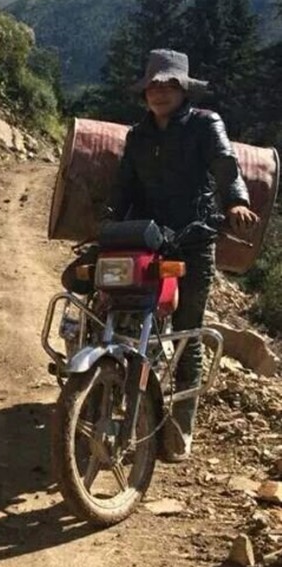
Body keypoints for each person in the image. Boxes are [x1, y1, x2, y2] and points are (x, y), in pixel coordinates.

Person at [108, 49, 259, 459]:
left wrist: (236, 203)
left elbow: (226, 165)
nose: (160, 92)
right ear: (145, 92)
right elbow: (124, 188)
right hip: (146, 239)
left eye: (169, 84)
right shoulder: (138, 136)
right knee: (122, 317)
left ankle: (181, 424)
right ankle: (113, 397)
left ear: (184, 89)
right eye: (153, 85)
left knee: (188, 330)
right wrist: (109, 226)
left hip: (193, 240)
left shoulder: (206, 125)